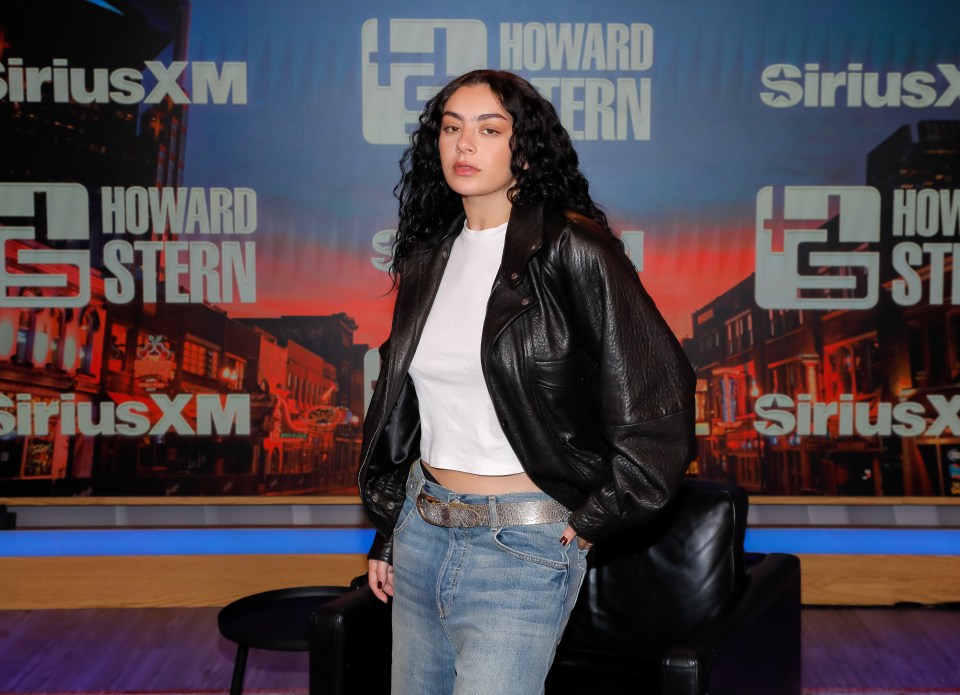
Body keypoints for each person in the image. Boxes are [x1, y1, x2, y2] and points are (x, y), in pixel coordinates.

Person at [358, 69, 696, 695]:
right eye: (451, 128)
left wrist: (599, 516)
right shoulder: (429, 255)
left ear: (525, 147)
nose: (465, 146)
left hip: (521, 541)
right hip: (422, 528)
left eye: (489, 129)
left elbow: (660, 395)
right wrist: (390, 529)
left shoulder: (574, 247)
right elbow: (412, 411)